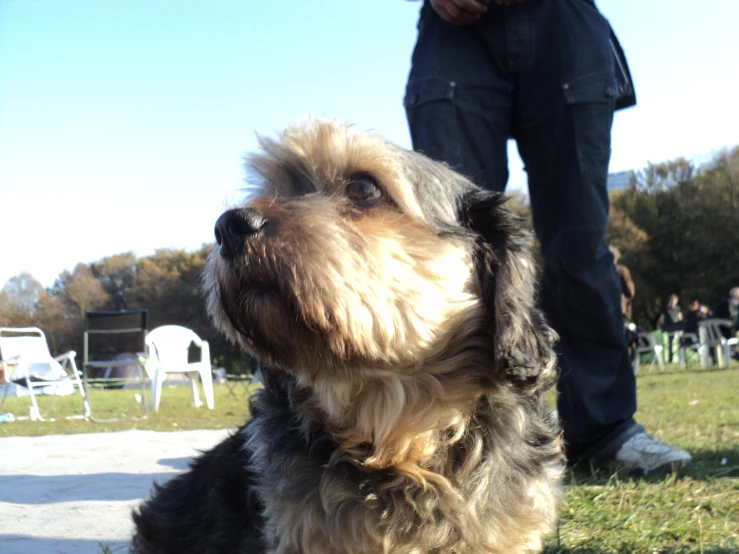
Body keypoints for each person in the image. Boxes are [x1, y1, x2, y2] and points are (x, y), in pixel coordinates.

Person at [404, 0, 691, 474]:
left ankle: (605, 429)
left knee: (580, 246)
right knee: (453, 247)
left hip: (564, 22)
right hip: (453, 30)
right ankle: (457, 441)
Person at [609, 246, 635, 323]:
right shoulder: (622, 270)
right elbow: (630, 292)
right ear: (616, 258)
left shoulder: (598, 270)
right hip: (619, 309)